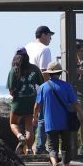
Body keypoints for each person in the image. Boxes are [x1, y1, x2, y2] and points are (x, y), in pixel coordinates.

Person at [32, 61, 83, 166]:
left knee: (52, 147)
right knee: (66, 147)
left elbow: (37, 106)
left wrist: (34, 117)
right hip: (66, 122)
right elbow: (75, 104)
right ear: (60, 73)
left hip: (50, 123)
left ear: (49, 74)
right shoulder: (67, 86)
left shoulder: (43, 87)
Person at [7, 47, 43, 155]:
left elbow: (11, 90)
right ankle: (28, 149)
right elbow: (41, 83)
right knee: (29, 126)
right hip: (32, 100)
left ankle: (20, 136)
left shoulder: (14, 70)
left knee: (13, 123)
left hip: (18, 101)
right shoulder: (34, 68)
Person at [25, 25, 54, 154]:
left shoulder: (27, 47)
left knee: (28, 119)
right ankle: (40, 148)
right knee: (42, 118)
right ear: (43, 35)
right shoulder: (45, 50)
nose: (50, 38)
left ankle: (27, 149)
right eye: (49, 35)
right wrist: (49, 89)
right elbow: (44, 72)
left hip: (25, 89)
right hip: (39, 89)